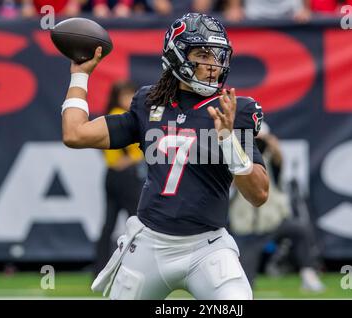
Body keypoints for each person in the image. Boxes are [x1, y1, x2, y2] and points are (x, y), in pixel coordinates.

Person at [60, 12, 269, 299]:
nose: (213, 65)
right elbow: (75, 134)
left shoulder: (232, 109)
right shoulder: (149, 104)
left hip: (207, 248)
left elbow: (258, 194)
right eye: (203, 54)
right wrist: (81, 75)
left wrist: (227, 139)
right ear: (177, 56)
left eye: (218, 56)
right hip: (149, 245)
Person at [229, 122, 325, 292]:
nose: (256, 144)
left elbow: (279, 161)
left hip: (272, 222)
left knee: (300, 230)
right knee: (245, 284)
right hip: (246, 230)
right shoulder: (235, 158)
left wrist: (271, 144)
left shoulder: (270, 162)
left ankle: (308, 274)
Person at [93, 81, 145, 277]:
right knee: (136, 223)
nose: (130, 100)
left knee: (108, 224)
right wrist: (132, 159)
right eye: (126, 96)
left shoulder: (108, 116)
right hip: (126, 178)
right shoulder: (121, 117)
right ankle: (136, 266)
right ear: (118, 97)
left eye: (132, 95)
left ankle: (99, 269)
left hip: (111, 176)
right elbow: (135, 153)